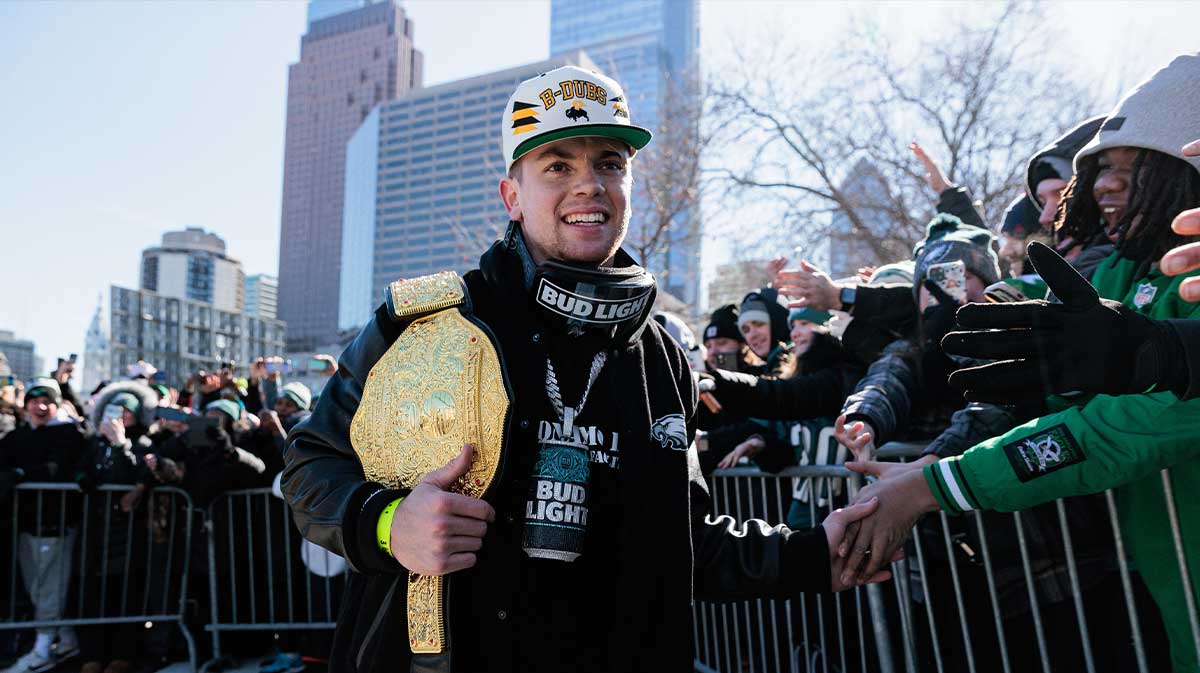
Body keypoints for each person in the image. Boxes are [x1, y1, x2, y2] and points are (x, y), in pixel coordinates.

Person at [282, 65, 888, 673]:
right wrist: (389, 526)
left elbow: (687, 542)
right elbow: (310, 466)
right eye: (558, 165)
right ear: (512, 196)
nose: (589, 185)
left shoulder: (662, 356)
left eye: (609, 163)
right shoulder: (426, 322)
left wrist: (813, 553)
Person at [842, 53, 1200, 673]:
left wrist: (935, 484)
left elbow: (1120, 430)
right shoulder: (1123, 269)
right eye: (1101, 169)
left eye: (1133, 166)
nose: (1106, 185)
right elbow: (1030, 319)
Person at [0, 378, 91, 672]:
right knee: (36, 587)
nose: (40, 406)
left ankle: (42, 648)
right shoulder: (16, 437)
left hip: (56, 523)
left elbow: (58, 469)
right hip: (25, 525)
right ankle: (65, 639)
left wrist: (21, 473)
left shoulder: (70, 434)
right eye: (34, 400)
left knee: (49, 587)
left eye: (48, 401)